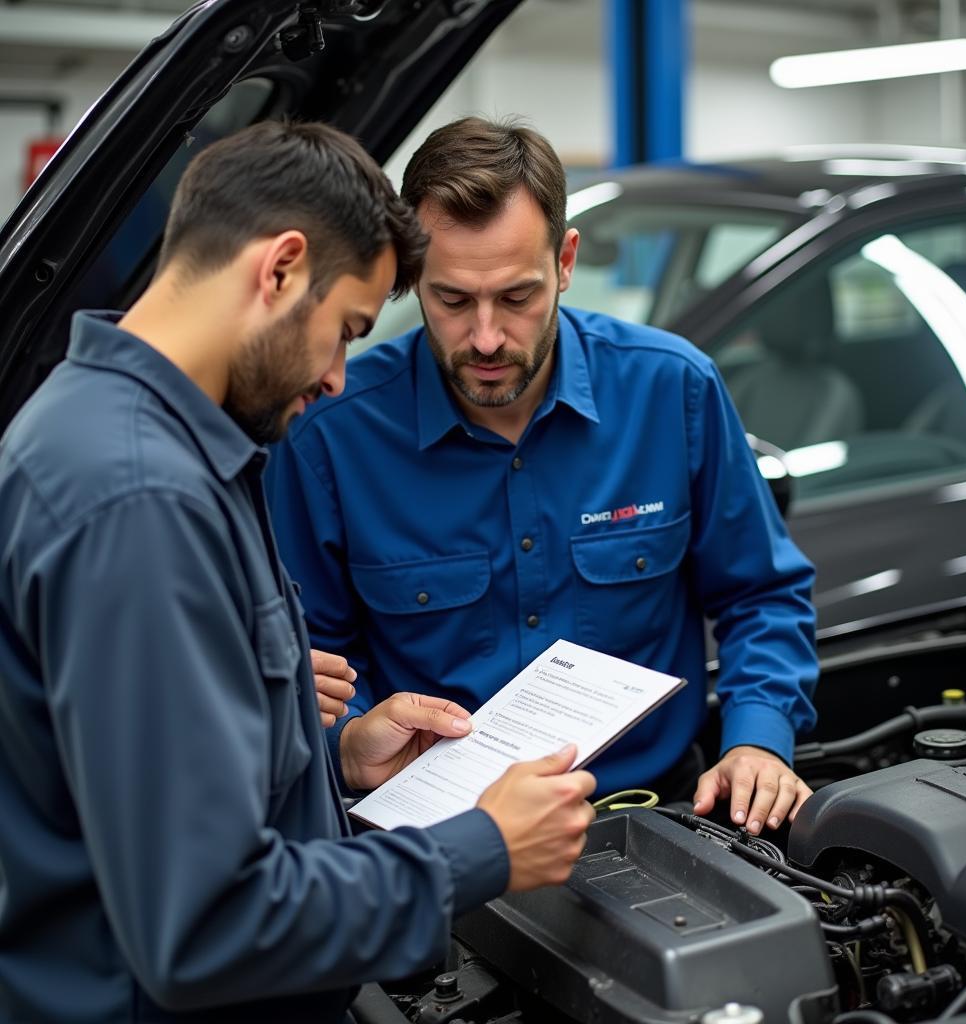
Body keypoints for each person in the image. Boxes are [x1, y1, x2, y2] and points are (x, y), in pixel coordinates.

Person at [0, 121, 596, 1024]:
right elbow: (206, 924)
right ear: (279, 270)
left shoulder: (169, 446)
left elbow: (167, 774)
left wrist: (334, 755)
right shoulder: (136, 501)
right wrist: (484, 848)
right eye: (345, 329)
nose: (338, 379)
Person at [267, 116, 819, 839]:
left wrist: (756, 739)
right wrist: (346, 742)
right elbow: (314, 665)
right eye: (453, 300)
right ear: (410, 276)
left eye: (518, 297)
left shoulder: (672, 390)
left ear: (565, 261)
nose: (487, 337)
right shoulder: (330, 435)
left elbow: (762, 594)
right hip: (435, 842)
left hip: (655, 814)